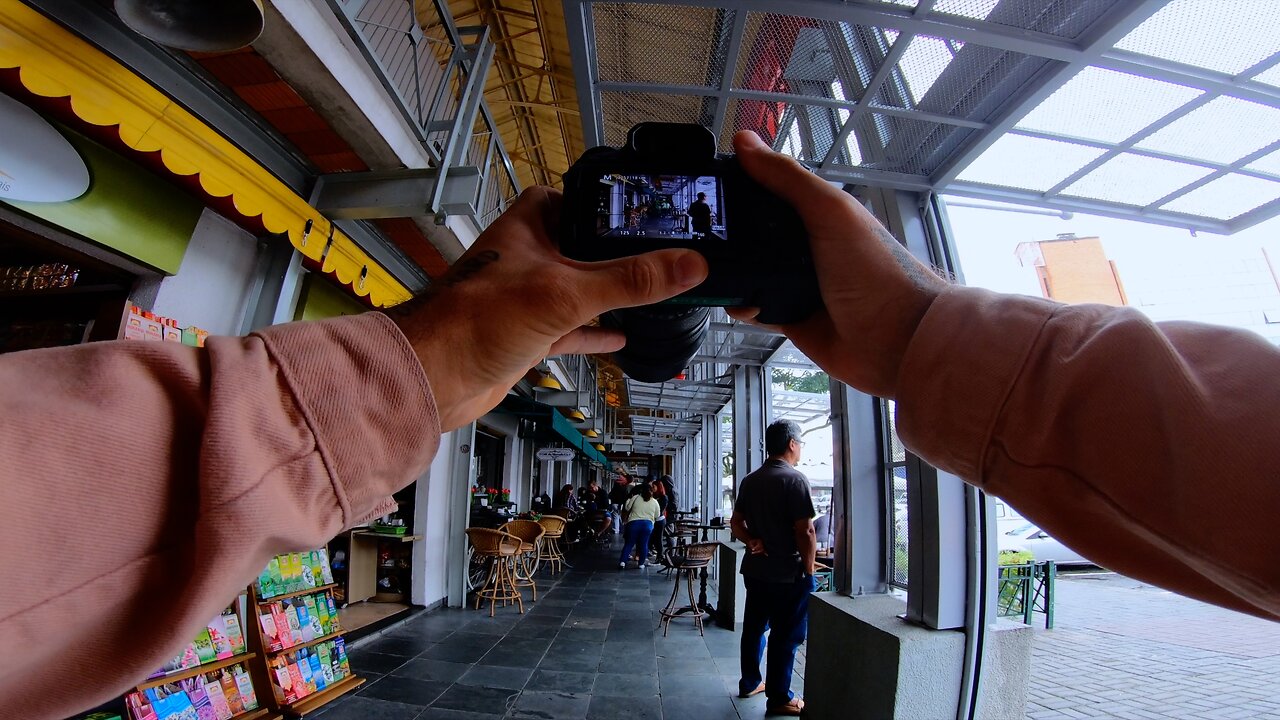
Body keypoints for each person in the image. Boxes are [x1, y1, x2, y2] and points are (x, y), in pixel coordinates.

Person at [1, 130, 1278, 718]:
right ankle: (769, 695)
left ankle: (760, 686)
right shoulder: (784, 489)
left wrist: (415, 367)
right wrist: (921, 339)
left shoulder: (746, 484)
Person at [730, 420, 816, 716]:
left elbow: (735, 523)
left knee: (754, 628)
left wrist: (752, 540)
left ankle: (750, 682)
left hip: (755, 571)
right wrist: (809, 569)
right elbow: (806, 532)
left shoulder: (750, 480)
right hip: (787, 574)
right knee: (786, 636)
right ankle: (780, 697)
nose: (801, 448)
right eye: (800, 443)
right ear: (792, 443)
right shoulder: (795, 480)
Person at [619, 482, 663, 569]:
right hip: (647, 525)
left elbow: (627, 508)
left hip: (633, 524)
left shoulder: (635, 497)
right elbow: (657, 515)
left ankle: (622, 562)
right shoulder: (655, 502)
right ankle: (641, 564)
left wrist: (628, 500)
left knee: (629, 543)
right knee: (644, 544)